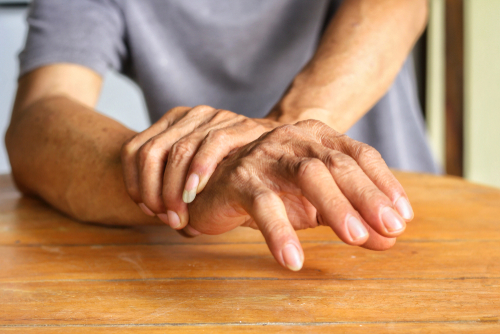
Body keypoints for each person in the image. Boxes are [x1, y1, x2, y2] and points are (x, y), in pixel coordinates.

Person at [5, 0, 435, 271]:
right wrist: (200, 174)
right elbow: (36, 121)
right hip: (206, 254)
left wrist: (285, 135)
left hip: (397, 218)